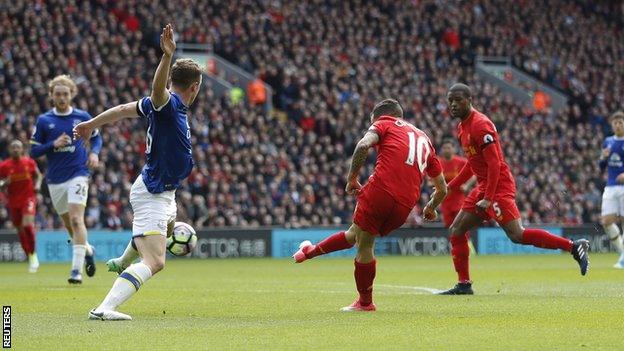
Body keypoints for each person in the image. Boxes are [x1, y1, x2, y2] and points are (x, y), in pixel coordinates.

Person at [74, 24, 202, 321]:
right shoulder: (167, 104)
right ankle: (104, 308)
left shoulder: (167, 109)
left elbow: (120, 109)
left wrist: (92, 124)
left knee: (168, 225)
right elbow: (158, 92)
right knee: (155, 260)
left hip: (161, 190)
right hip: (153, 191)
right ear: (195, 86)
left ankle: (122, 259)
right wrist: (166, 57)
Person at [292, 99, 447, 311]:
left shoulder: (384, 123)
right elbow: (442, 188)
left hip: (381, 191)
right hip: (406, 205)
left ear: (377, 116)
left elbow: (363, 145)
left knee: (364, 245)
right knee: (355, 235)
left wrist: (352, 178)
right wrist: (430, 207)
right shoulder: (425, 139)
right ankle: (309, 252)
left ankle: (365, 303)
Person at [438, 83, 590, 295]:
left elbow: (494, 165)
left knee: (517, 235)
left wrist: (489, 198)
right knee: (457, 230)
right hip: (483, 186)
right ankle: (464, 284)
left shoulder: (481, 125)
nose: (453, 104)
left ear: (469, 100)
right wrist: (448, 187)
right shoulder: (462, 128)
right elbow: (472, 164)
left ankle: (574, 246)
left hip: (498, 186)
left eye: (457, 100)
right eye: (450, 101)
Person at [30, 74, 101, 284]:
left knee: (78, 219)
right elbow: (33, 152)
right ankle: (88, 249)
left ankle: (75, 272)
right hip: (55, 180)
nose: (62, 97)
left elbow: (97, 137)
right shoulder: (44, 121)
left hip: (79, 174)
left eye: (65, 94)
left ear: (72, 94)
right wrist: (53, 144)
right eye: (58, 94)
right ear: (51, 95)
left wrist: (95, 153)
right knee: (70, 226)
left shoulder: (82, 116)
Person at [0, 140, 42, 272]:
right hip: (13, 201)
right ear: (9, 149)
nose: (16, 149)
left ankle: (33, 253)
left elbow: (38, 175)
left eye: (18, 147)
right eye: (13, 147)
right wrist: (4, 184)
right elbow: (0, 185)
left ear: (22, 149)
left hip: (28, 198)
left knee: (27, 225)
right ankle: (30, 255)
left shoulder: (29, 162)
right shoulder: (4, 166)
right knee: (20, 230)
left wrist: (37, 185)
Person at [598, 111, 624, 268]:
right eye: (616, 123)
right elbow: (601, 167)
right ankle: (623, 252)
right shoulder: (607, 141)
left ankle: (623, 259)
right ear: (612, 125)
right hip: (611, 186)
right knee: (606, 221)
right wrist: (603, 157)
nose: (618, 125)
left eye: (621, 122)